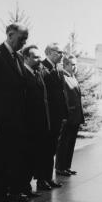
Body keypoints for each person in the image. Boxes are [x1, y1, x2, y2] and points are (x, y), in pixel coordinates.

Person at [0, 23, 28, 202]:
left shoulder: (18, 57)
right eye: (22, 38)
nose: (24, 42)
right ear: (10, 35)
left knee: (8, 163)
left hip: (13, 123)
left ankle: (3, 201)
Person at [39, 43, 68, 190]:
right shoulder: (42, 67)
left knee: (51, 149)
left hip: (56, 117)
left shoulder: (57, 69)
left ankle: (48, 178)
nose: (61, 54)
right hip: (47, 117)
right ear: (49, 52)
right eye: (59, 52)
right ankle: (41, 179)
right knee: (45, 149)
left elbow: (61, 93)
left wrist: (63, 114)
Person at [22, 45, 50, 197]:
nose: (40, 60)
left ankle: (26, 188)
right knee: (25, 158)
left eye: (40, 57)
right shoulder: (23, 74)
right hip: (28, 125)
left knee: (33, 157)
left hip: (38, 124)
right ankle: (21, 189)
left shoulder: (36, 73)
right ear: (26, 58)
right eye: (35, 57)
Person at [55, 55, 85, 176]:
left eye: (75, 64)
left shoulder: (72, 77)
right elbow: (64, 97)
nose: (75, 66)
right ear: (66, 64)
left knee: (71, 143)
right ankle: (60, 168)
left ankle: (66, 166)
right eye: (72, 64)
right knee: (64, 143)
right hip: (68, 116)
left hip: (76, 116)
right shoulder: (63, 77)